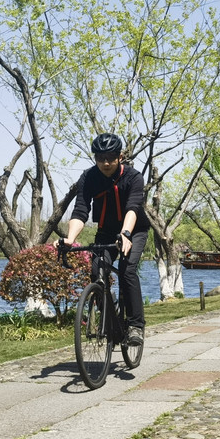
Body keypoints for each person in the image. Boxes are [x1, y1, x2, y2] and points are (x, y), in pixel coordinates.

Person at [63, 133, 150, 346]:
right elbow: (81, 210)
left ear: (120, 156)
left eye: (111, 157)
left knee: (127, 269)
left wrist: (126, 234)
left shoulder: (134, 177)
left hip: (135, 229)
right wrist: (69, 239)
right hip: (106, 231)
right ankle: (110, 319)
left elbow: (133, 208)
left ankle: (135, 326)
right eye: (100, 158)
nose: (106, 162)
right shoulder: (89, 177)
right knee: (96, 271)